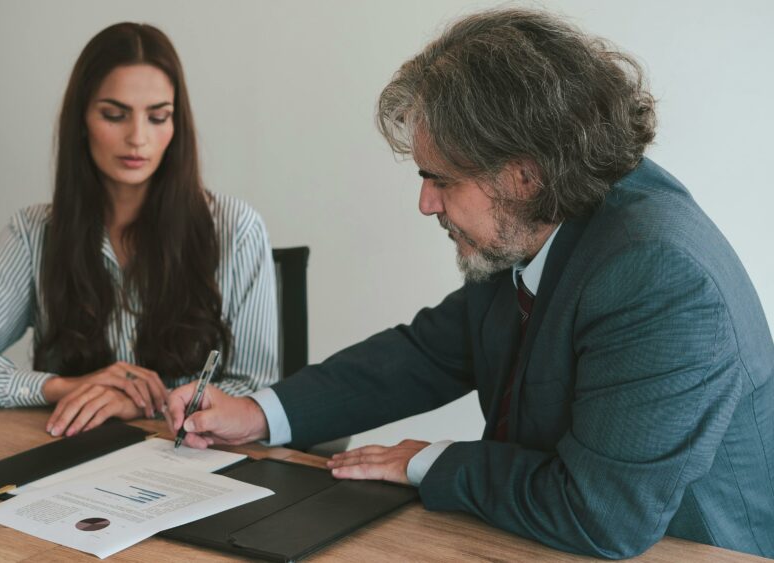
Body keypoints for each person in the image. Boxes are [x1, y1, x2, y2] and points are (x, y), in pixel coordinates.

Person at [165, 9, 774, 559]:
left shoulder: (659, 276)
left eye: (440, 179)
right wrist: (257, 411)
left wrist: (426, 461)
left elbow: (602, 515)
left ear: (524, 176)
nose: (425, 203)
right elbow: (429, 352)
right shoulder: (542, 216)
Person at [0, 23, 279, 439]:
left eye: (158, 117)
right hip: (69, 455)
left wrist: (141, 404)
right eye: (114, 115)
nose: (138, 137)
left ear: (177, 127)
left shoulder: (236, 229)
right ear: (82, 119)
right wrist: (62, 387)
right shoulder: (34, 233)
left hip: (192, 463)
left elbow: (254, 394)